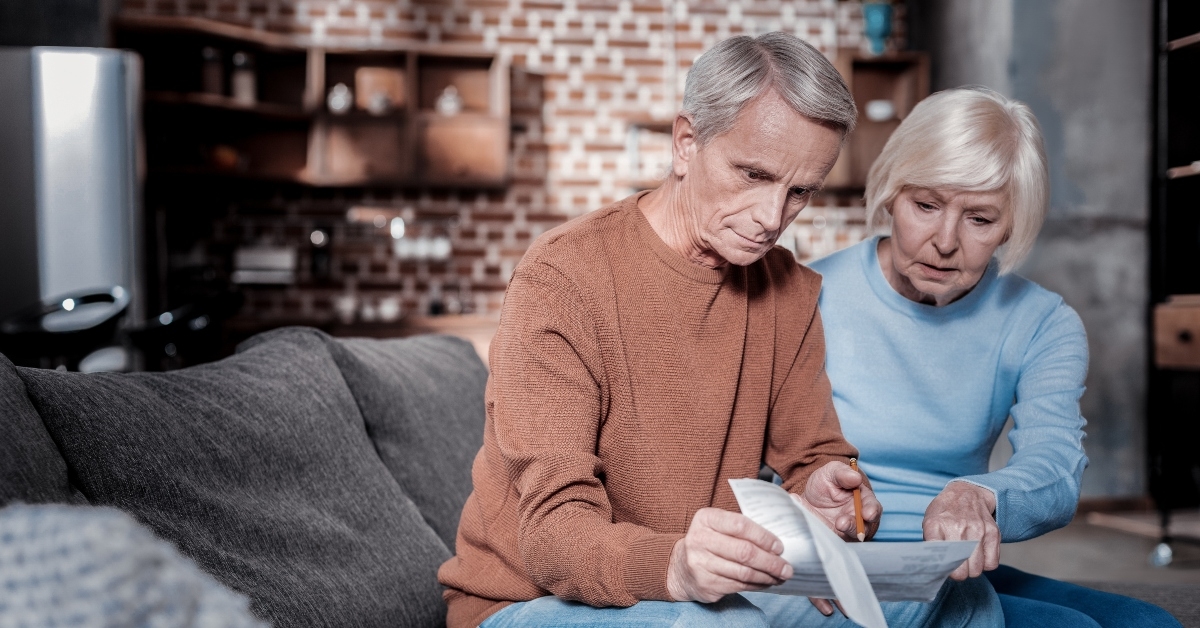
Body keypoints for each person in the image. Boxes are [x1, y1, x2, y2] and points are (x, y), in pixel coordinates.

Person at [438, 32, 1004, 628]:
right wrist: (676, 567)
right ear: (686, 143)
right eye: (753, 174)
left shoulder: (786, 288)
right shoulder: (563, 277)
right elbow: (551, 533)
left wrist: (831, 497)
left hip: (704, 584)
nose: (771, 219)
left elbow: (817, 458)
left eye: (799, 192)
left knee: (960, 602)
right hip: (528, 601)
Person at [809, 86, 1181, 627]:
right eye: (926, 205)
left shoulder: (1042, 323)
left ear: (1012, 225)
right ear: (891, 192)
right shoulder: (809, 294)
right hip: (831, 561)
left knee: (1149, 625)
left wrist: (978, 494)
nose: (944, 241)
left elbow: (1055, 469)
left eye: (980, 219)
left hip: (950, 563)